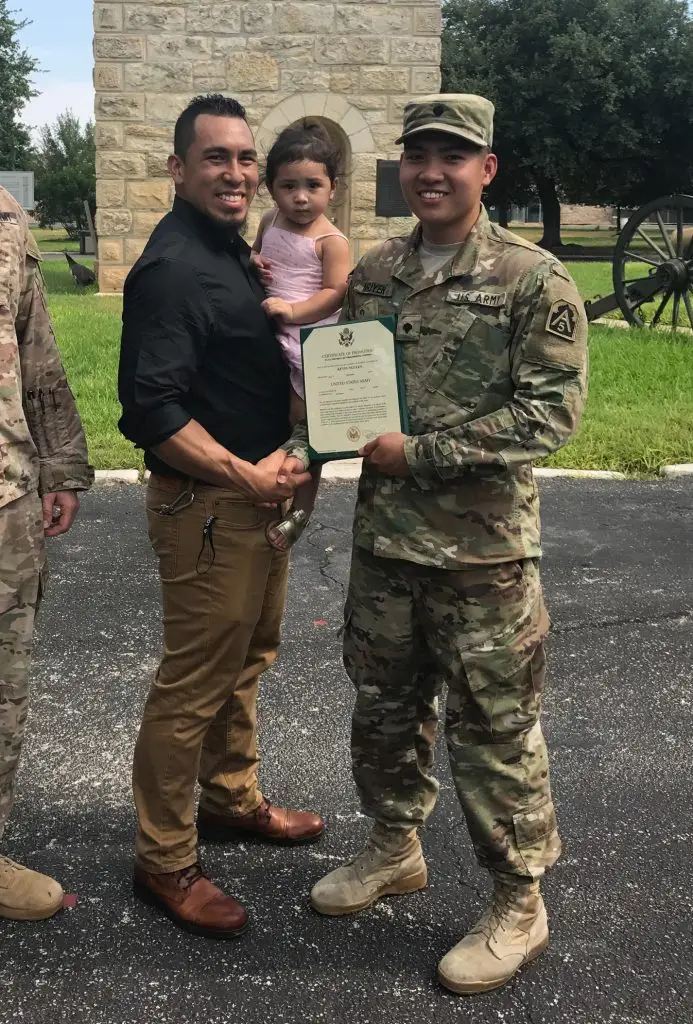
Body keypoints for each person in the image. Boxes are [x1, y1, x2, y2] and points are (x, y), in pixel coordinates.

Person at [310, 95, 588, 995]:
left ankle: (519, 899)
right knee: (383, 710)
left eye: (453, 156)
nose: (433, 171)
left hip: (482, 558)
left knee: (494, 730)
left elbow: (551, 413)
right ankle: (395, 848)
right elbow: (346, 385)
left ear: (485, 169)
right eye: (419, 154)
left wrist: (419, 453)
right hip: (387, 548)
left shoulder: (533, 279)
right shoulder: (379, 273)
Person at [118, 94, 325, 940]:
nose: (236, 174)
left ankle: (230, 799)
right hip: (211, 506)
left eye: (245, 158)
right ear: (177, 168)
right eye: (216, 159)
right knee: (193, 685)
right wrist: (245, 475)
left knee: (247, 660)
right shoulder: (171, 268)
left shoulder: (233, 253)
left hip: (255, 501)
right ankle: (163, 858)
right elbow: (150, 409)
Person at [0, 186, 92, 920]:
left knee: (3, 690)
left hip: (5, 503)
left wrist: (61, 462)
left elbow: (35, 344)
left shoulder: (4, 215)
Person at [250, 120, 350, 550]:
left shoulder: (331, 241)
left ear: (333, 189)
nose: (301, 197)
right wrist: (252, 261)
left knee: (307, 429)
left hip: (310, 335)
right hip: (271, 325)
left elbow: (334, 292)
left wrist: (292, 311)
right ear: (272, 188)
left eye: (313, 185)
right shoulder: (270, 219)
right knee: (272, 420)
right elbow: (256, 253)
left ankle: (301, 510)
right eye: (288, 185)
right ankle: (272, 488)